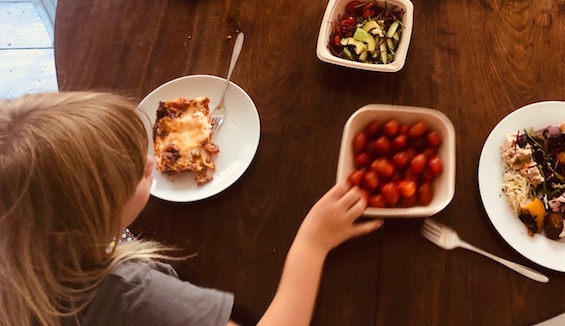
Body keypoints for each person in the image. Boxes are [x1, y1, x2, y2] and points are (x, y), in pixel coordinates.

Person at [0, 91, 382, 326]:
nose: (152, 161)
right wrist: (312, 243)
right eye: (135, 171)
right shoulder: (130, 296)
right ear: (85, 219)